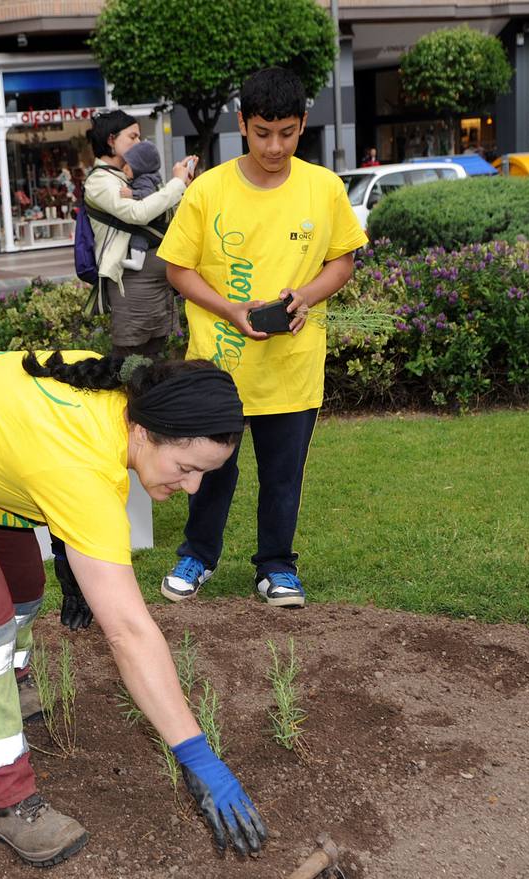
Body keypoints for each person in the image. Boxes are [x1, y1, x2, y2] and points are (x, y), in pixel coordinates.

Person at [0, 349, 267, 868]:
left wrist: (70, 548)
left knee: (22, 582)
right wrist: (198, 757)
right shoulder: (79, 463)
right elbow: (128, 631)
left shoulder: (125, 394)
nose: (192, 486)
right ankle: (5, 801)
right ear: (145, 432)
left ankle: (7, 684)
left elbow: (32, 446)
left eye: (205, 475)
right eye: (186, 468)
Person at [159, 66, 366, 609]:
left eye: (288, 133)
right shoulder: (208, 191)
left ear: (303, 125)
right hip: (217, 370)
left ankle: (276, 566)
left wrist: (307, 296)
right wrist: (229, 308)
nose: (275, 146)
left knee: (282, 477)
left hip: (292, 368)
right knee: (207, 470)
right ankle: (197, 556)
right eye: (262, 133)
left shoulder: (323, 187)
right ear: (242, 123)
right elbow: (178, 269)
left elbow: (342, 260)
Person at [82, 110, 198, 358]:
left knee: (154, 354)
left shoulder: (127, 175)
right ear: (112, 140)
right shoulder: (100, 181)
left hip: (154, 285)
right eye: (132, 137)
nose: (139, 143)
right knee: (131, 358)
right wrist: (175, 184)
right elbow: (137, 214)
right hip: (132, 285)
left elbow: (162, 215)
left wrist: (183, 185)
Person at [122, 139, 166, 267]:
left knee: (139, 235)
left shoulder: (143, 179)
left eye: (128, 166)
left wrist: (132, 194)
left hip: (155, 227)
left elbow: (150, 195)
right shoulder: (152, 176)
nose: (124, 169)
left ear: (140, 167)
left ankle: (137, 261)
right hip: (160, 225)